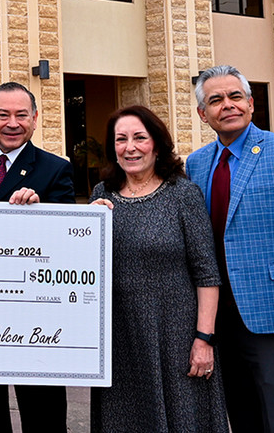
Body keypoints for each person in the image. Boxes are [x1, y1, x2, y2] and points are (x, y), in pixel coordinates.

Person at [185, 64, 274, 433]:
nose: (227, 105)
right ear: (204, 114)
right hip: (220, 316)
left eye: (235, 96)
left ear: (251, 104)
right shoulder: (197, 163)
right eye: (215, 100)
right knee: (241, 413)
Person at [88, 105, 225, 432]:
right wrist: (86, 226)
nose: (130, 147)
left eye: (139, 138)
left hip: (175, 336)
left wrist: (204, 339)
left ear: (158, 144)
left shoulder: (183, 194)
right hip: (119, 337)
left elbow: (206, 272)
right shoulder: (101, 195)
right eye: (121, 139)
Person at [0, 81, 75, 433]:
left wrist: (42, 213)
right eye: (3, 114)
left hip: (34, 312)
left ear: (35, 119)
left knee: (44, 410)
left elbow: (66, 239)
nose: (12, 123)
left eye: (22, 115)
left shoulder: (55, 169)